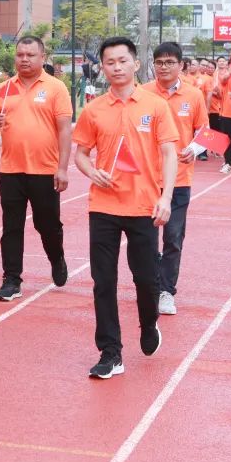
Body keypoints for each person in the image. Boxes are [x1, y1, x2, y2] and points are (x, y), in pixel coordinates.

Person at [73, 37, 179, 380]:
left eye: (122, 61)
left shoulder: (155, 106)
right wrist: (91, 172)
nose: (116, 67)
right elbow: (81, 154)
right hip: (103, 205)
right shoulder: (93, 110)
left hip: (143, 205)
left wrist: (165, 197)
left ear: (135, 64)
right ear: (102, 67)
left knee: (145, 279)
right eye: (110, 62)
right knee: (103, 280)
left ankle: (148, 323)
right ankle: (110, 352)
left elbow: (169, 153)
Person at [0, 36, 73, 301]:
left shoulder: (56, 88)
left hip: (45, 170)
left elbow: (64, 130)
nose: (24, 59)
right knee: (11, 227)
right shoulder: (2, 90)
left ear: (42, 57)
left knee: (47, 225)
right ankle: (11, 279)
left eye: (30, 55)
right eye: (20, 55)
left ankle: (56, 257)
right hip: (10, 169)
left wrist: (62, 168)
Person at [141, 42, 207, 316]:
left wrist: (194, 148)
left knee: (173, 237)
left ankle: (166, 290)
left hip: (179, 179)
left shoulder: (194, 95)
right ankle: (149, 283)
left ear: (181, 65)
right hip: (145, 179)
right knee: (144, 237)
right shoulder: (143, 93)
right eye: (159, 62)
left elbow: (204, 131)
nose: (164, 67)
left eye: (169, 62)